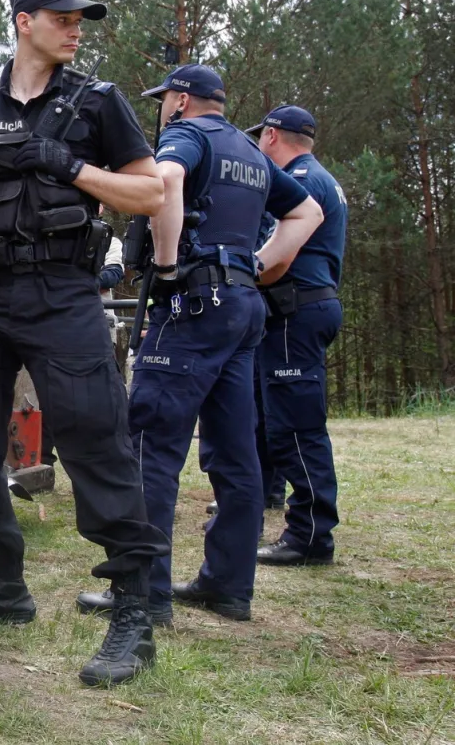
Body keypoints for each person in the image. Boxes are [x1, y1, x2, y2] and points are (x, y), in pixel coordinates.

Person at [0, 0, 171, 687]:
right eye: (63, 18)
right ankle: (4, 585)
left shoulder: (97, 103)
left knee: (96, 443)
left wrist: (69, 165)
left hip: (63, 296)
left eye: (81, 19)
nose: (76, 28)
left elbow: (151, 191)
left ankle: (133, 614)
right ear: (24, 22)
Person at [81, 66, 322, 627]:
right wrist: (257, 265)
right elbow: (306, 210)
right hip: (243, 309)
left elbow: (165, 183)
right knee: (236, 455)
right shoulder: (250, 149)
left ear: (182, 99)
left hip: (193, 306)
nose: (161, 108)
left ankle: (146, 593)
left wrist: (166, 265)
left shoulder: (186, 135)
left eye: (164, 99)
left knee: (152, 450)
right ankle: (229, 587)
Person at [247, 105, 348, 567]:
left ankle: (309, 536)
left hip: (295, 310)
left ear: (271, 136)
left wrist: (240, 274)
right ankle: (294, 516)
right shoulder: (319, 176)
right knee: (281, 420)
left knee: (296, 428)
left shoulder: (301, 182)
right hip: (307, 307)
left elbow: (277, 256)